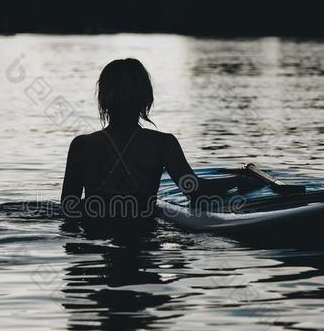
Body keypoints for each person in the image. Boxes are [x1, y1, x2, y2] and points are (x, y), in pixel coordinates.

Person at [61, 58, 244, 221]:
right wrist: (238, 180)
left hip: (94, 236)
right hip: (144, 236)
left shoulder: (82, 145)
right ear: (146, 98)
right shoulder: (163, 144)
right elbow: (196, 191)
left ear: (103, 99)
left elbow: (68, 207)